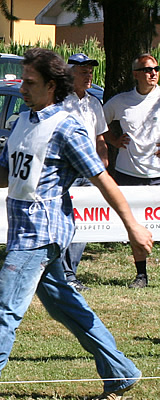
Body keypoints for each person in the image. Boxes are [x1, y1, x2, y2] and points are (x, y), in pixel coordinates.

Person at [0, 48, 153, 400]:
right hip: (25, 233)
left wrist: (133, 227)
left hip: (41, 235)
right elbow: (8, 174)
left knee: (3, 309)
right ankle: (120, 372)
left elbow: (102, 180)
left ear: (52, 86)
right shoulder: (23, 121)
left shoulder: (67, 128)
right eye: (23, 79)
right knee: (68, 307)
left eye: (30, 82)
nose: (22, 87)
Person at [103, 53, 160, 288]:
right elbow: (97, 123)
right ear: (136, 74)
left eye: (156, 69)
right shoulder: (121, 101)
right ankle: (141, 275)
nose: (153, 73)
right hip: (129, 174)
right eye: (148, 70)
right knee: (135, 225)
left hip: (158, 174)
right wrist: (114, 141)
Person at [60, 53, 110, 292]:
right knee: (64, 221)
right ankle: (60, 273)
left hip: (89, 172)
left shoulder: (94, 104)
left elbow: (100, 137)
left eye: (90, 71)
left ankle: (70, 273)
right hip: (66, 171)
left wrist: (103, 161)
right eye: (83, 72)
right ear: (70, 74)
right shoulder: (59, 101)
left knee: (84, 222)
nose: (88, 75)